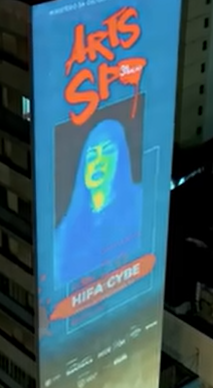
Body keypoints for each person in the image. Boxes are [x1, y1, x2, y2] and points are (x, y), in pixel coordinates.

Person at [52, 117, 144, 291]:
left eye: (108, 151)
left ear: (121, 159)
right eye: (92, 155)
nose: (98, 162)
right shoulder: (64, 230)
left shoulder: (140, 201)